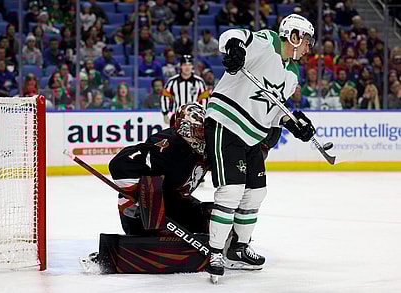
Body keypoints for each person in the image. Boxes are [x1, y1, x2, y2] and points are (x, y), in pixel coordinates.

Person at [204, 14, 316, 281]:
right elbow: (234, 35)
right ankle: (216, 251)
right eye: (307, 40)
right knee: (231, 191)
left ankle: (238, 249)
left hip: (252, 135)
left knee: (256, 193)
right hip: (226, 124)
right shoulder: (268, 42)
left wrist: (292, 123)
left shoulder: (293, 72)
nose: (309, 47)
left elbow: (271, 109)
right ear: (294, 36)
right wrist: (234, 49)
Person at [82, 103, 213, 274]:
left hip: (174, 205)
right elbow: (119, 163)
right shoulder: (168, 144)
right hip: (141, 215)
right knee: (157, 226)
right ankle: (137, 248)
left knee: (209, 214)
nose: (202, 137)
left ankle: (225, 250)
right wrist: (144, 198)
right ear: (185, 129)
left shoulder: (205, 149)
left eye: (203, 132)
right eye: (198, 132)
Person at [160, 55, 209, 124]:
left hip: (194, 119)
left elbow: (205, 99)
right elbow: (165, 96)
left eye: (189, 65)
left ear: (192, 66)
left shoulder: (199, 82)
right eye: (185, 65)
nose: (187, 67)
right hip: (176, 117)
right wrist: (165, 113)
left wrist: (202, 114)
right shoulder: (172, 81)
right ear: (180, 66)